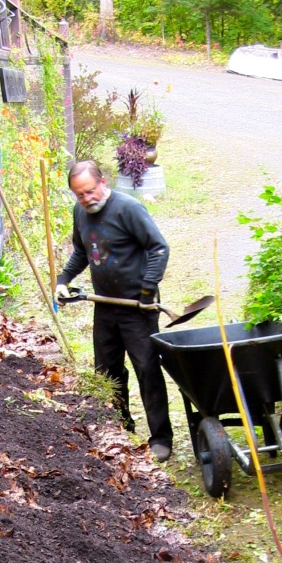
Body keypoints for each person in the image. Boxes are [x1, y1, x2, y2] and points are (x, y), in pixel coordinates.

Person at [55, 160, 173, 461]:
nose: (86, 199)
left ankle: (161, 437)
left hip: (138, 307)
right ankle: (120, 429)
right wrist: (64, 279)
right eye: (79, 194)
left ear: (103, 182)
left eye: (90, 191)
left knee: (147, 369)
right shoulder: (80, 212)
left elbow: (158, 247)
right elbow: (83, 251)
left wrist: (148, 288)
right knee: (107, 371)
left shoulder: (128, 209)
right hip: (105, 305)